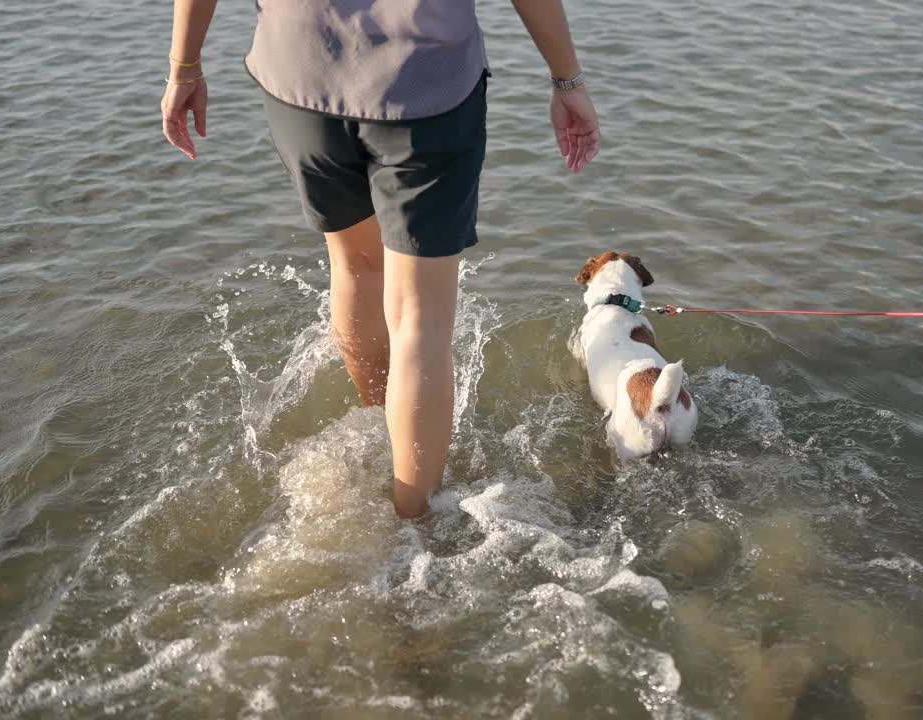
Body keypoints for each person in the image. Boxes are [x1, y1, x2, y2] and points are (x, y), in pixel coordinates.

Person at [161, 1, 600, 517]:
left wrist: (184, 67)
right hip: (424, 83)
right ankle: (415, 521)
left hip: (301, 72)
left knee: (354, 267)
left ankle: (382, 423)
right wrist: (567, 82)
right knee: (421, 318)